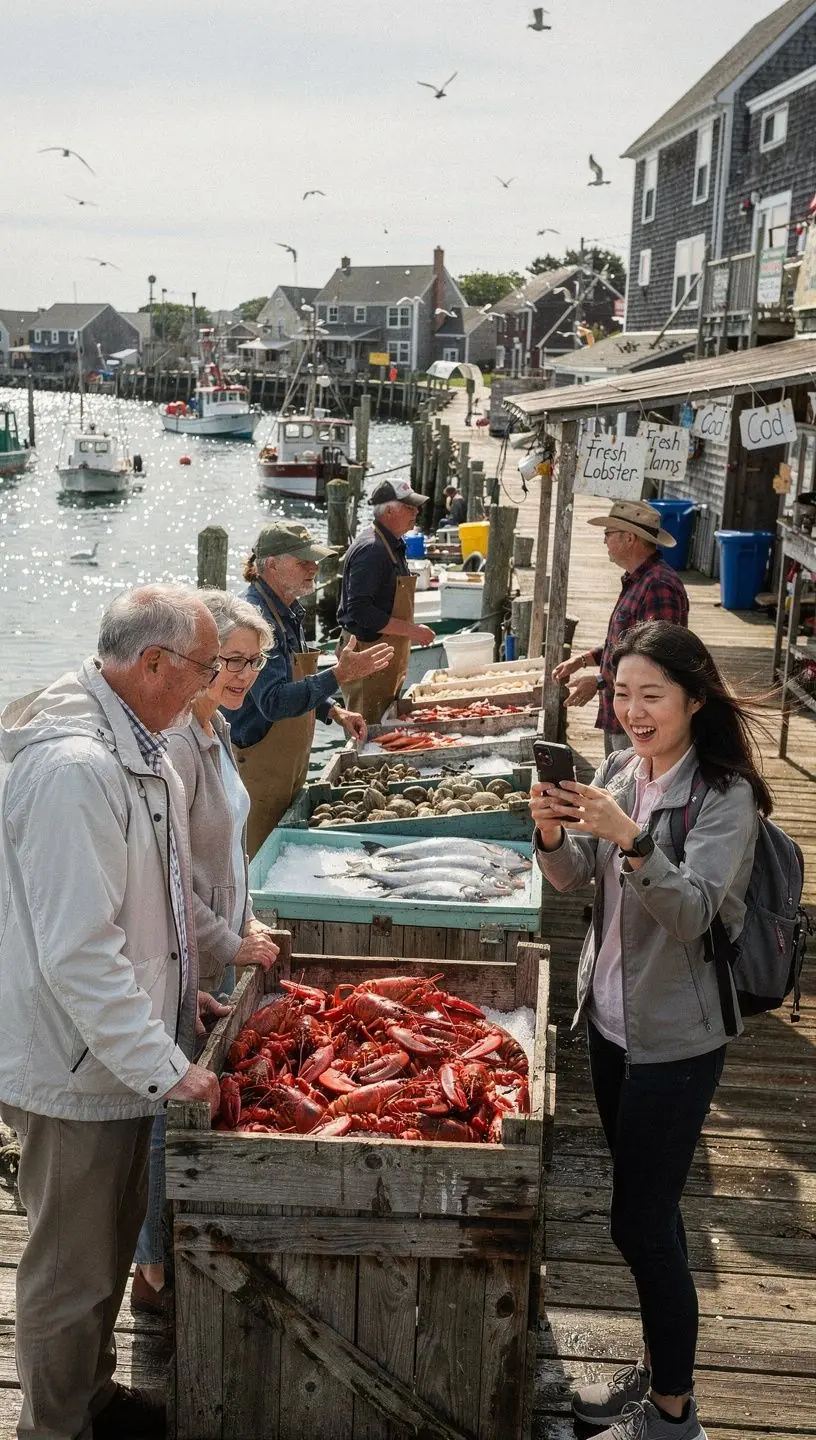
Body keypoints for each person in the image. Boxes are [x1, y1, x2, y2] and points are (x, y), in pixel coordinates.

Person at [0, 586, 227, 1440]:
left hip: (119, 1054)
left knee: (107, 1243)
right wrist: (168, 1065)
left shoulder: (140, 745)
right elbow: (79, 955)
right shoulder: (75, 770)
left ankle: (92, 1397)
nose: (208, 686)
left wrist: (182, 990)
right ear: (154, 663)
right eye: (203, 669)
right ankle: (52, 1429)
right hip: (73, 1063)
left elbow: (151, 901)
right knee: (71, 1268)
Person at [531, 621, 768, 1440]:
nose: (633, 710)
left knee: (641, 1222)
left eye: (652, 696)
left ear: (696, 699)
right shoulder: (619, 771)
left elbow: (696, 912)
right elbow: (573, 886)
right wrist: (556, 830)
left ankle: (673, 1415)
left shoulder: (725, 796)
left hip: (677, 1042)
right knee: (651, 1217)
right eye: (623, 693)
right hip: (608, 1026)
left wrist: (631, 839)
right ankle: (662, 1376)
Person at [130, 590, 281, 1319]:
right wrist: (230, 941)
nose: (243, 674)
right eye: (230, 660)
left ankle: (179, 1245)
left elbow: (228, 860)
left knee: (199, 1103)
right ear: (196, 657)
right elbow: (173, 881)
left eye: (255, 662)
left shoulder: (214, 729)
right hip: (187, 954)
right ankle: (152, 1270)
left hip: (219, 951)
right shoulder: (176, 746)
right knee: (171, 1107)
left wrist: (248, 921)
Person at [230, 521, 393, 856]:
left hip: (285, 767)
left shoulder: (286, 609)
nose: (314, 567)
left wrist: (333, 709)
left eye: (315, 560)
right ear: (271, 564)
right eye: (303, 561)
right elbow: (273, 701)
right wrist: (339, 674)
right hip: (256, 771)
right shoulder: (254, 619)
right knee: (256, 866)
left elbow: (294, 681)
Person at [552, 500, 689, 755]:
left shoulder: (658, 584)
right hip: (624, 716)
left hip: (643, 721)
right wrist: (583, 660)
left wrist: (598, 682)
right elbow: (627, 644)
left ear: (629, 538)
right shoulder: (640, 580)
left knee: (629, 791)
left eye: (608, 534)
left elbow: (654, 658)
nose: (604, 541)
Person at [337, 477, 436, 724]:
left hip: (383, 656)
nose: (416, 512)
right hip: (366, 656)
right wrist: (412, 630)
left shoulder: (392, 544)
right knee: (367, 727)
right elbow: (361, 612)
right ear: (389, 511)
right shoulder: (372, 550)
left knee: (384, 721)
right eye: (409, 507)